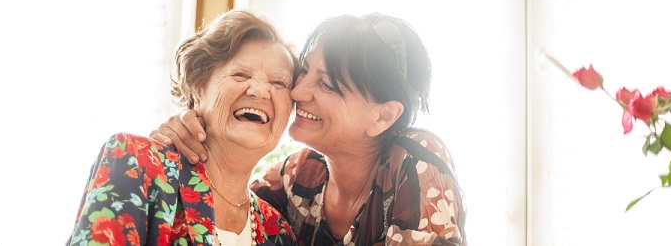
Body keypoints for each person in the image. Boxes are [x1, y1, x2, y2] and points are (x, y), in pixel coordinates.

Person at [151, 13, 467, 245]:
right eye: (304, 73)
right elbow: (229, 198)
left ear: (383, 117)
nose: (297, 92)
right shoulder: (295, 179)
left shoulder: (415, 159)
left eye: (327, 84)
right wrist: (192, 122)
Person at [68, 9, 299, 246]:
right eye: (241, 75)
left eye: (279, 83)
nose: (260, 91)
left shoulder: (278, 231)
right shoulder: (138, 163)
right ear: (197, 87)